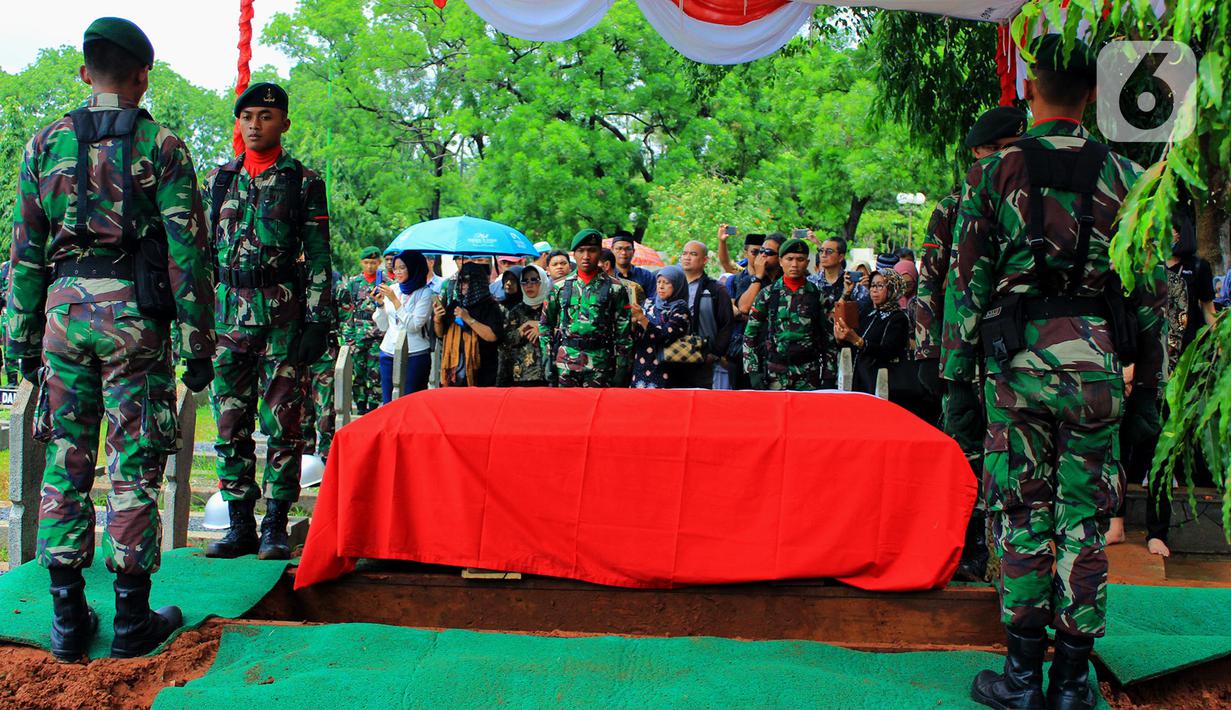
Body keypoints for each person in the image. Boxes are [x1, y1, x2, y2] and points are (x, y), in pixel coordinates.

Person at [942, 36, 1166, 710]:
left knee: (1021, 513)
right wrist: (1149, 384)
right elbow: (1151, 294)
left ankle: (1020, 680)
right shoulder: (1128, 179)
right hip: (1095, 367)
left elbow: (965, 289)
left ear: (1027, 89)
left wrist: (957, 382)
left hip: (1016, 369)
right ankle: (1071, 680)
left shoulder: (992, 174)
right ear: (1094, 96)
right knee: (1083, 521)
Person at [8, 17, 217, 660]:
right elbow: (188, 252)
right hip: (135, 322)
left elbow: (25, 249)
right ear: (142, 76)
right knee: (133, 464)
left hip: (63, 318)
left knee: (66, 462)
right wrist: (200, 343)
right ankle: (131, 622)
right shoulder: (165, 147)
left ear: (84, 73)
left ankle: (68, 621)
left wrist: (18, 336)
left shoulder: (44, 143)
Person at [201, 81, 333, 562]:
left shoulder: (303, 181)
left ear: (284, 124)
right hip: (226, 316)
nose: (255, 124)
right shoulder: (218, 180)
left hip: (282, 315)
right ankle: (239, 524)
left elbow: (318, 255)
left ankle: (276, 523)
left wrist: (319, 320)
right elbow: (200, 257)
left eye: (266, 116)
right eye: (248, 116)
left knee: (284, 423)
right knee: (228, 422)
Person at [916, 105, 1027, 581]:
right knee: (962, 452)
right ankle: (963, 551)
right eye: (1002, 150)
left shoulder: (1027, 199)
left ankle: (1006, 555)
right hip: (962, 358)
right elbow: (930, 280)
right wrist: (927, 349)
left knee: (1013, 453)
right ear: (981, 152)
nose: (1010, 158)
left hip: (1014, 354)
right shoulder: (952, 205)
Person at [539, 229, 633, 387]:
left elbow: (623, 333)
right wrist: (547, 358)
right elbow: (545, 324)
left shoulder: (615, 288)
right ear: (574, 254)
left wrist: (622, 367)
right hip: (566, 366)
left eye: (592, 251)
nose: (586, 256)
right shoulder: (560, 287)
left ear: (600, 253)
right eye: (581, 251)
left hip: (601, 365)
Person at [743, 238, 835, 391]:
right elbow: (750, 334)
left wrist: (829, 375)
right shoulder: (768, 294)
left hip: (808, 374)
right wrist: (752, 371)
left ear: (807, 262)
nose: (794, 264)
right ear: (780, 261)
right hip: (775, 373)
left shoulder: (817, 296)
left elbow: (828, 339)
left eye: (800, 259)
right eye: (789, 259)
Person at [835, 269, 911, 395]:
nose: (874, 290)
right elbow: (852, 343)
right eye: (872, 285)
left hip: (880, 383)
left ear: (893, 288)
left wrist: (859, 341)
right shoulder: (867, 312)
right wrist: (842, 338)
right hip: (858, 379)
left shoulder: (898, 318)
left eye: (880, 285)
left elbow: (889, 351)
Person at [373, 250, 432, 402]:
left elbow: (414, 326)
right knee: (388, 401)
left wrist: (395, 301)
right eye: (395, 268)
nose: (397, 272)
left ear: (413, 268)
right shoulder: (394, 288)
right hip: (388, 351)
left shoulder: (425, 293)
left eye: (402, 268)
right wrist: (380, 305)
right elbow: (383, 326)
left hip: (415, 353)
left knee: (410, 401)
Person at [433, 261, 504, 387]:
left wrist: (468, 319)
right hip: (455, 374)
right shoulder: (455, 304)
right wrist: (437, 319)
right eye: (460, 281)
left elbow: (493, 336)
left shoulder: (490, 306)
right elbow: (440, 334)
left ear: (478, 282)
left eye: (467, 280)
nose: (463, 285)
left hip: (481, 373)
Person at [301, 269, 345, 461]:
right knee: (301, 412)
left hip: (324, 353)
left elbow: (345, 316)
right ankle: (305, 459)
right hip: (297, 352)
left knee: (326, 412)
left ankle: (328, 459)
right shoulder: (289, 275)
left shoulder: (333, 280)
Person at [679, 240, 734, 389]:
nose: (687, 257)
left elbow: (727, 324)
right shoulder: (673, 286)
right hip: (674, 359)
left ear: (705, 260)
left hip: (704, 360)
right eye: (684, 253)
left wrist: (714, 354)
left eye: (693, 254)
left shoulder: (716, 290)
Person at [631, 266, 692, 388]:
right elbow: (636, 334)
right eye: (658, 282)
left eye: (666, 282)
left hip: (666, 367)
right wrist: (633, 323)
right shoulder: (649, 303)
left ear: (677, 285)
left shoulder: (680, 308)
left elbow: (666, 335)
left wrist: (642, 318)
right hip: (641, 365)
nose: (661, 286)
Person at [341, 247, 384, 414]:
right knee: (358, 374)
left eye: (373, 263)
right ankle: (359, 406)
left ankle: (373, 407)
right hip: (358, 334)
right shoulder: (354, 283)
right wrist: (348, 337)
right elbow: (347, 311)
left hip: (378, 335)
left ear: (379, 263)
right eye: (366, 262)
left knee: (376, 374)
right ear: (361, 263)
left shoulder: (386, 283)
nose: (370, 266)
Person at [500, 265, 553, 387]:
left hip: (551, 372)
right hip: (523, 375)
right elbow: (505, 342)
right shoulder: (516, 311)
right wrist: (521, 330)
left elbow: (566, 332)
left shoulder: (552, 307)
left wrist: (542, 328)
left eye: (534, 280)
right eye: (524, 281)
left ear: (543, 281)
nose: (529, 285)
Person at [808, 236, 869, 306]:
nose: (823, 255)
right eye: (821, 251)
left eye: (829, 251)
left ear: (841, 257)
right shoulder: (811, 281)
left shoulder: (851, 283)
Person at [611, 231, 656, 297]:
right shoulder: (606, 275)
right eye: (619, 248)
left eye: (628, 249)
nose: (623, 252)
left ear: (633, 251)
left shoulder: (646, 276)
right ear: (612, 250)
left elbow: (654, 300)